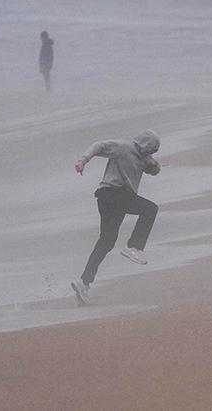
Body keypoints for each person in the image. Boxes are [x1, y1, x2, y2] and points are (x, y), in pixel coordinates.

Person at [70, 129, 162, 305]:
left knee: (107, 241)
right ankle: (133, 247)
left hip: (107, 198)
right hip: (115, 193)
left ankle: (83, 282)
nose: (150, 154)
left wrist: (154, 163)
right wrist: (83, 160)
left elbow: (154, 171)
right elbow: (98, 146)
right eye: (151, 151)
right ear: (144, 145)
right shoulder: (123, 147)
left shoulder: (144, 158)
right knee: (150, 209)